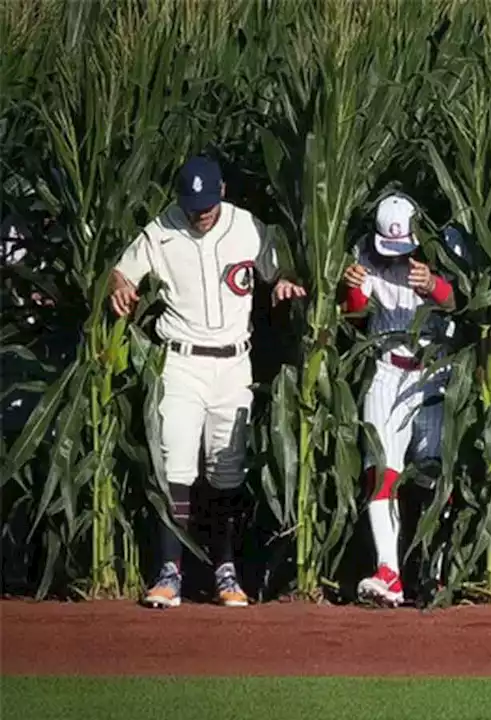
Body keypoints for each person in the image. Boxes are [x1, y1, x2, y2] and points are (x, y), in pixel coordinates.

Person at [109, 155, 306, 608]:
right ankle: (169, 572)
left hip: (235, 363)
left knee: (226, 470)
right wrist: (118, 286)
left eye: (207, 206)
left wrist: (283, 284)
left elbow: (282, 270)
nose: (200, 216)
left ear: (221, 193)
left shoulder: (247, 227)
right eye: (192, 207)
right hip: (180, 361)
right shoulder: (161, 230)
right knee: (175, 465)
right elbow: (121, 271)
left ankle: (225, 571)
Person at [339, 192, 464, 607]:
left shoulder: (441, 249)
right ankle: (388, 572)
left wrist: (433, 285)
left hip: (434, 373)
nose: (395, 256)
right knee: (382, 469)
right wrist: (354, 289)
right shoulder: (365, 254)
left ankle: (436, 571)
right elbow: (353, 312)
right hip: (388, 369)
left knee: (433, 473)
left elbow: (462, 304)